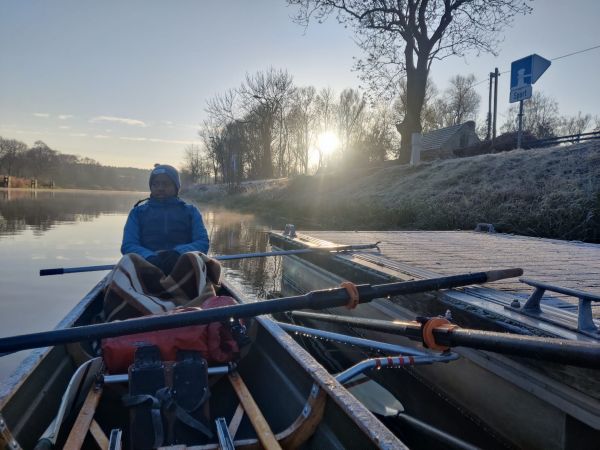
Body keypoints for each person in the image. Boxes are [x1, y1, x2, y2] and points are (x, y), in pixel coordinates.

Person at [121, 164, 209, 275]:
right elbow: (128, 245)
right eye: (155, 184)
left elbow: (202, 242)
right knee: (125, 262)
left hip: (183, 265)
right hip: (146, 266)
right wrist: (149, 257)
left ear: (176, 187)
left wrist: (178, 253)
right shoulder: (137, 213)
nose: (160, 188)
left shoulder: (191, 212)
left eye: (166, 184)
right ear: (151, 186)